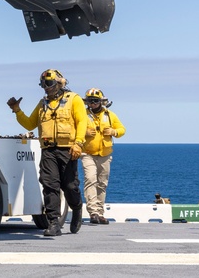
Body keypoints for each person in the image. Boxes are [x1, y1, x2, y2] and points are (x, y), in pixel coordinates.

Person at [7, 69, 87, 237]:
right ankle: (54, 223)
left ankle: (77, 207)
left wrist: (78, 143)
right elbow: (30, 124)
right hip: (48, 150)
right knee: (50, 185)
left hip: (68, 149)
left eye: (49, 84)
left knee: (70, 186)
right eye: (43, 84)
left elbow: (82, 122)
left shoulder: (74, 100)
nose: (46, 87)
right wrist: (17, 110)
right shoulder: (42, 103)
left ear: (59, 83)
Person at [81, 88, 125, 224]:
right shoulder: (82, 115)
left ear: (101, 101)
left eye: (95, 101)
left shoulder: (110, 115)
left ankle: (100, 213)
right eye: (90, 101)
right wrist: (85, 133)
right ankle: (93, 212)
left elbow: (122, 129)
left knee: (102, 184)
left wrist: (114, 132)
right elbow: (73, 129)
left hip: (105, 154)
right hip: (87, 153)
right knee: (90, 180)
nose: (92, 103)